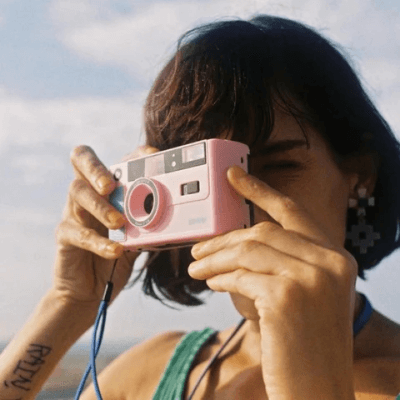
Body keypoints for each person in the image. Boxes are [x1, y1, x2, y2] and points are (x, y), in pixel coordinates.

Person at [0, 14, 400, 400]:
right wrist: (70, 303)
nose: (240, 208)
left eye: (278, 167)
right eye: (204, 182)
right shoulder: (152, 371)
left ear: (360, 176)